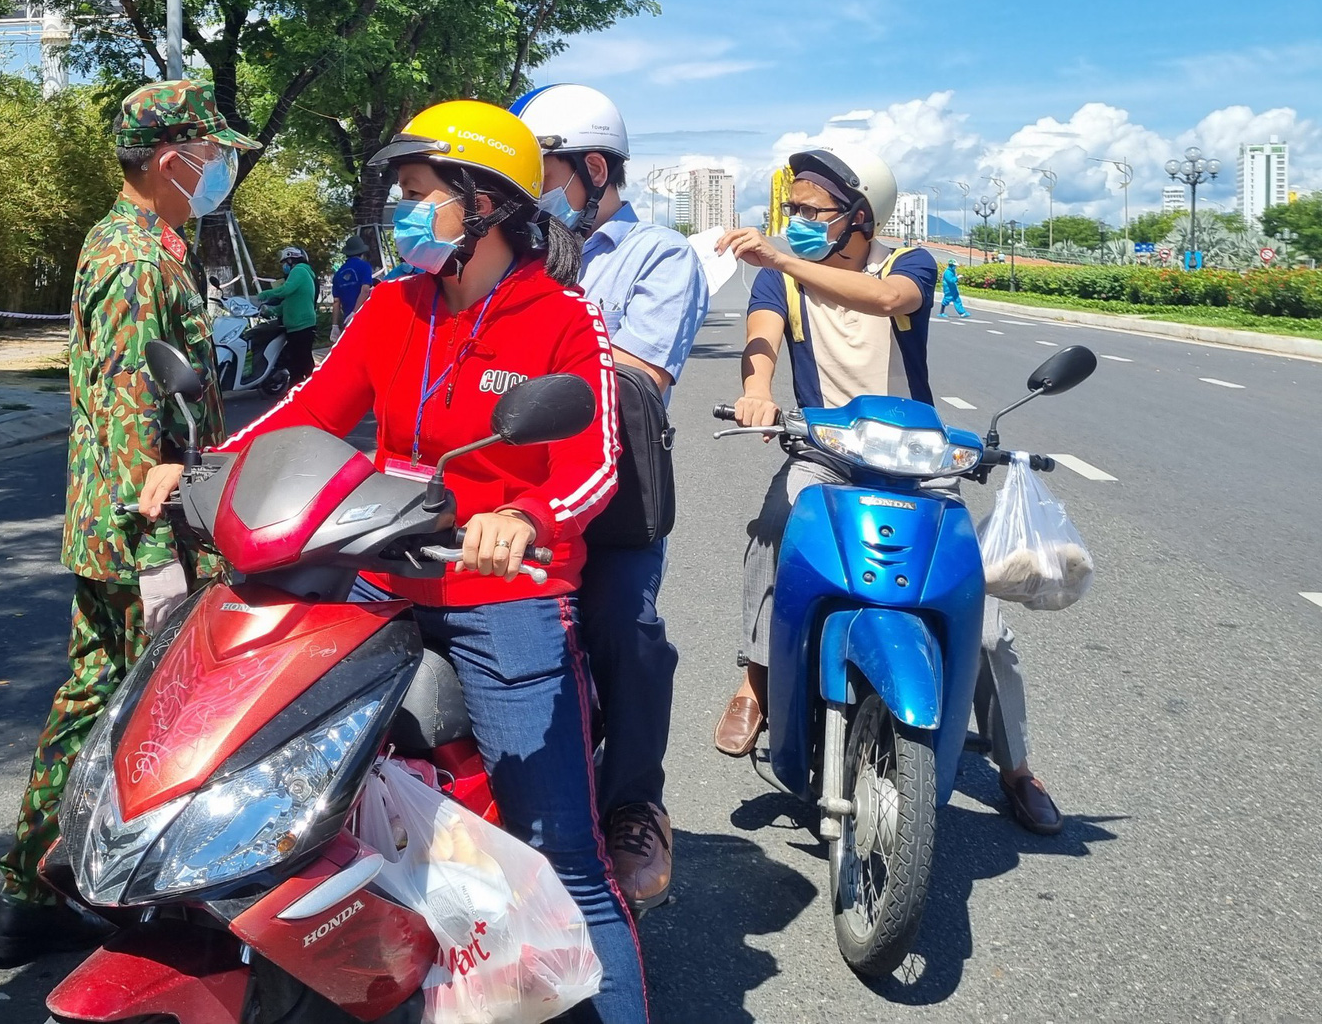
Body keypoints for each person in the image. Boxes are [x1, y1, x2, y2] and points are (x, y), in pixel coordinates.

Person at [148, 100, 648, 1024]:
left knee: (559, 849)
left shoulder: (563, 318)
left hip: (504, 593)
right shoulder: (391, 305)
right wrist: (211, 469)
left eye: (420, 194)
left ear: (487, 204)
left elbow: (594, 471)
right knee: (295, 798)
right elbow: (308, 413)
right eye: (403, 196)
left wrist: (526, 521)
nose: (403, 213)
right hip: (377, 573)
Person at [0, 79, 257, 965]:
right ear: (173, 159)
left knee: (98, 697)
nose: (219, 169)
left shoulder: (145, 241)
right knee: (159, 709)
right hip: (147, 524)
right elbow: (131, 404)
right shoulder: (137, 256)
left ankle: (33, 891)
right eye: (212, 155)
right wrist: (157, 549)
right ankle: (146, 897)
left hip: (129, 518)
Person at [712, 148, 1060, 835]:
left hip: (919, 461)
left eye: (814, 212)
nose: (798, 223)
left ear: (861, 216)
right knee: (774, 526)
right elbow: (762, 340)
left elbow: (892, 302)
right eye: (794, 212)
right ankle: (756, 679)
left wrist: (782, 258)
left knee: (981, 618)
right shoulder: (779, 283)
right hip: (825, 449)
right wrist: (755, 390)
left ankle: (1017, 766)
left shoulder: (909, 264)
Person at [515, 83, 709, 911]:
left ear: (593, 169)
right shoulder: (513, 247)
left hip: (616, 498)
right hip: (509, 486)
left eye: (542, 175)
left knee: (627, 629)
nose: (529, 197)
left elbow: (639, 380)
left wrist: (546, 338)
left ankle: (634, 801)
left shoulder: (661, 257)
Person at [255, 245, 318, 382]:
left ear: (291, 260)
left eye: (284, 262)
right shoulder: (301, 273)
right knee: (298, 363)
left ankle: (310, 391)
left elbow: (285, 290)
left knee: (302, 363)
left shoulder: (299, 270)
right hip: (297, 326)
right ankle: (303, 390)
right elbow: (289, 302)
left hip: (302, 325)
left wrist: (266, 294)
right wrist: (270, 310)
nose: (284, 266)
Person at [330, 233, 376, 338]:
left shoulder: (338, 273)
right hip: (365, 317)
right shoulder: (364, 266)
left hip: (347, 320)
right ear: (362, 253)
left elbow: (336, 301)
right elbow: (365, 290)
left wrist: (335, 325)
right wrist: (355, 313)